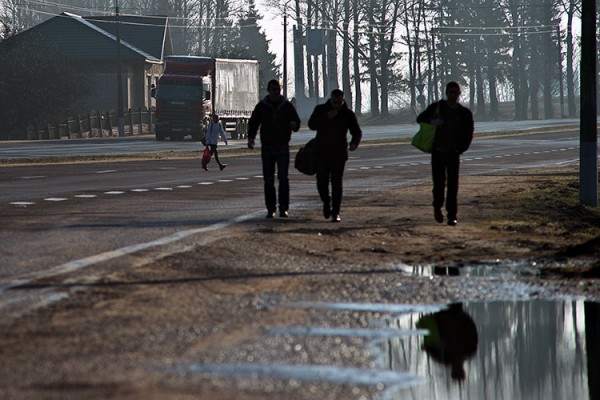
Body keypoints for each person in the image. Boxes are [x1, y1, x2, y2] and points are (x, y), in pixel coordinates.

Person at [417, 81, 474, 226]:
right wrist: (433, 121)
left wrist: (460, 149)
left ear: (459, 94)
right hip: (438, 152)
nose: (453, 95)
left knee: (453, 185)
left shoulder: (464, 113)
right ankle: (437, 207)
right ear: (446, 93)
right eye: (450, 92)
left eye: (455, 92)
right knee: (438, 184)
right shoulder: (437, 107)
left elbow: (469, 133)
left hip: (453, 153)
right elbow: (420, 118)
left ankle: (452, 215)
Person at [248, 79, 301, 218]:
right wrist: (251, 138)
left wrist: (294, 124)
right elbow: (253, 122)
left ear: (280, 90)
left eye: (277, 89)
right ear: (268, 90)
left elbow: (297, 121)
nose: (275, 92)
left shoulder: (287, 106)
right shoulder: (262, 106)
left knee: (283, 178)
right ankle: (270, 209)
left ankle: (283, 208)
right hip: (267, 147)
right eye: (273, 89)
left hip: (283, 146)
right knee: (268, 180)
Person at [308, 89, 362, 223]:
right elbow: (311, 124)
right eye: (334, 102)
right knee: (322, 181)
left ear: (343, 101)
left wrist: (354, 143)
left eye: (339, 102)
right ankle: (327, 202)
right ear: (330, 100)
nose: (337, 105)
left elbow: (356, 132)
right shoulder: (321, 109)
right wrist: (326, 117)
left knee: (337, 183)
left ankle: (336, 212)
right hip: (322, 151)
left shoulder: (347, 114)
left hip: (339, 153)